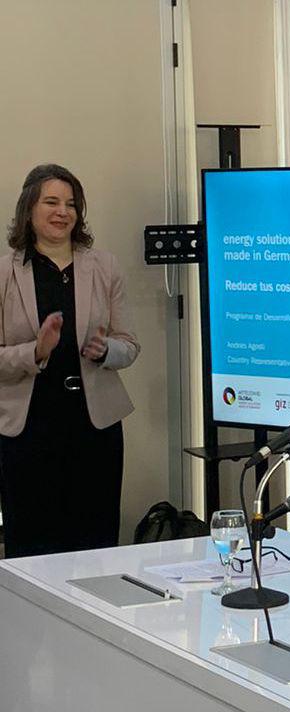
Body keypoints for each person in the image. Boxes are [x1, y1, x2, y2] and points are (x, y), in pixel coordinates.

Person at [0, 164, 139, 557]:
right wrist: (36, 351)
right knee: (33, 544)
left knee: (95, 542)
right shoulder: (5, 272)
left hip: (94, 426)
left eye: (71, 204)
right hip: (27, 427)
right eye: (52, 202)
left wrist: (106, 350)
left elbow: (129, 345)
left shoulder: (104, 266)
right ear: (29, 209)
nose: (63, 212)